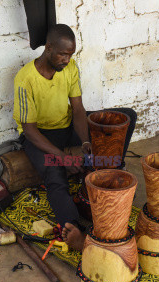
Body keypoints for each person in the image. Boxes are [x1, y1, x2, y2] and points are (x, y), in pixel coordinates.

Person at [13, 24, 136, 251]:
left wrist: (86, 141)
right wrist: (63, 158)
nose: (67, 60)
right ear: (48, 48)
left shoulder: (69, 68)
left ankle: (109, 171)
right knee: (54, 173)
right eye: (62, 54)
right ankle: (74, 229)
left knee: (125, 117)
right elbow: (29, 130)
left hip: (67, 125)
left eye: (70, 55)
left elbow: (78, 109)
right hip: (39, 135)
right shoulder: (25, 79)